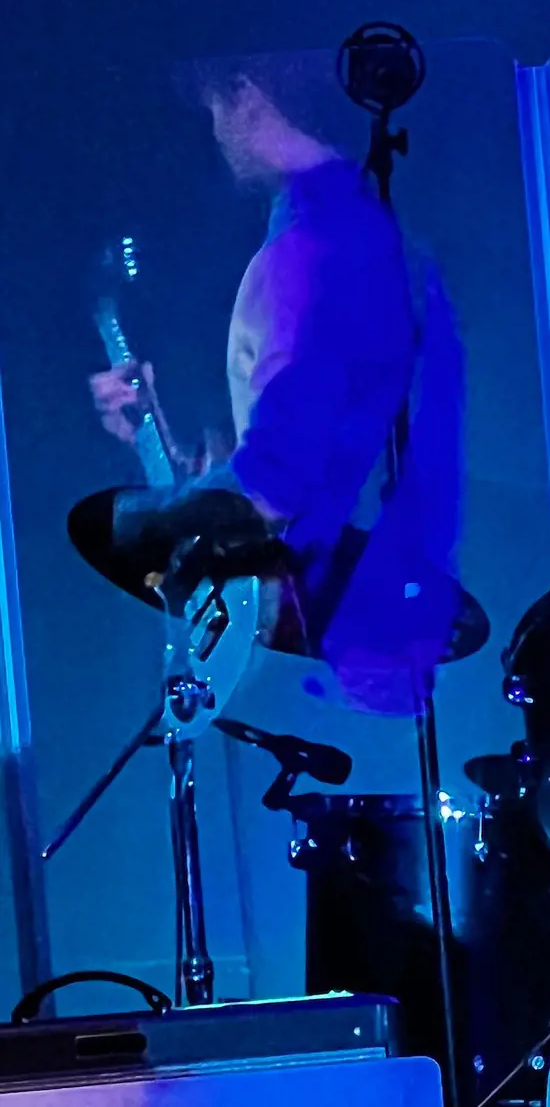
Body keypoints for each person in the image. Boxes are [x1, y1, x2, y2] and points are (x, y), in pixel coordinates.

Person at [90, 64, 465, 715]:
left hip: (328, 627)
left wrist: (132, 521)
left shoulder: (316, 246)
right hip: (336, 619)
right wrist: (176, 454)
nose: (214, 133)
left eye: (215, 106)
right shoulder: (357, 226)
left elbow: (274, 485)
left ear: (247, 93)